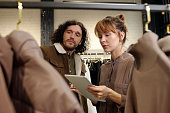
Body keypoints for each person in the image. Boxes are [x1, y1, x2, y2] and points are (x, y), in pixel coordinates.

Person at [40, 20, 95, 113]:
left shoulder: (80, 62)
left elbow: (85, 93)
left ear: (80, 41)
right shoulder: (44, 52)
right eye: (69, 32)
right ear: (62, 34)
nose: (72, 37)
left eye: (77, 35)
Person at [87, 14, 134, 113]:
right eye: (100, 36)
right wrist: (87, 94)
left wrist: (110, 94)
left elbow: (139, 103)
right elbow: (101, 103)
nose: (102, 40)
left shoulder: (134, 64)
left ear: (121, 36)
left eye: (107, 35)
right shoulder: (103, 68)